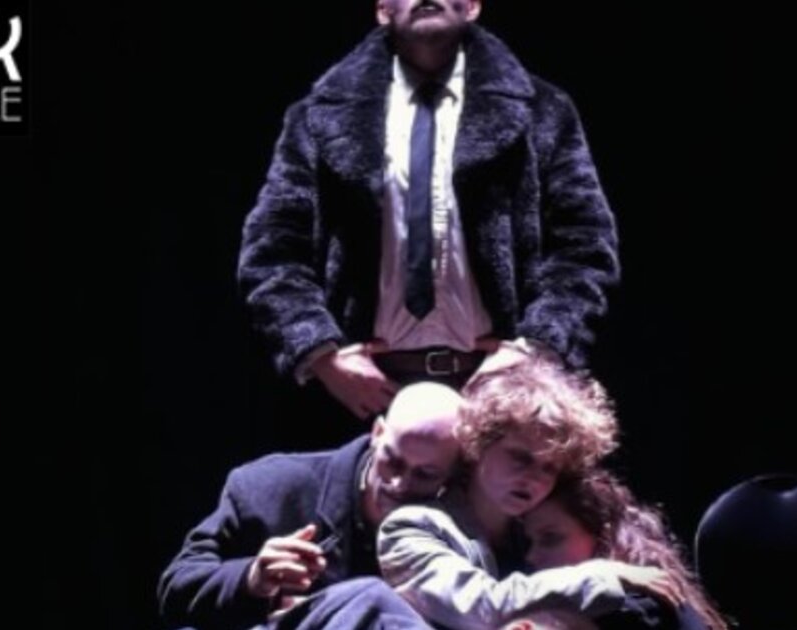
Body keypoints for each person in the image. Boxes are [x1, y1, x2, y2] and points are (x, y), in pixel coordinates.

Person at [237, 0, 621, 418]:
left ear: (472, 6)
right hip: (361, 396)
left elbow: (585, 246)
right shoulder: (318, 116)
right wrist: (321, 356)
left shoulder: (543, 112)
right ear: (382, 10)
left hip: (503, 394)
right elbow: (272, 251)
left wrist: (536, 349)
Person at [377, 359, 684, 630]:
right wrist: (603, 575)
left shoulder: (538, 529)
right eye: (520, 458)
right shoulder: (411, 527)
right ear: (478, 444)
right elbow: (482, 609)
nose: (535, 478)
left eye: (549, 467)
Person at [158, 382, 462, 629]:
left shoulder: (466, 522)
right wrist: (252, 579)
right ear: (377, 433)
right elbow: (177, 589)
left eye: (425, 475)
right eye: (392, 461)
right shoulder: (270, 488)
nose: (399, 483)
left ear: (454, 473)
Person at [522, 471, 730, 630]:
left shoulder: (630, 612)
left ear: (602, 535)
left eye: (550, 538)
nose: (531, 556)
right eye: (530, 542)